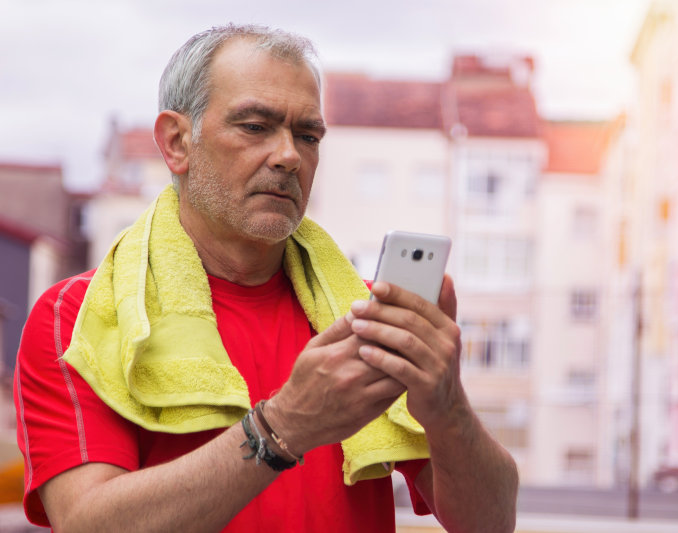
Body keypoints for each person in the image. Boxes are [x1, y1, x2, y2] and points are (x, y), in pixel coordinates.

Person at [14, 24, 518, 532]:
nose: (289, 156)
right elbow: (87, 524)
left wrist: (446, 405)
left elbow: (491, 524)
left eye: (308, 135)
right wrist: (284, 427)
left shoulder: (365, 320)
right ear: (176, 142)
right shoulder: (80, 319)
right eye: (255, 126)